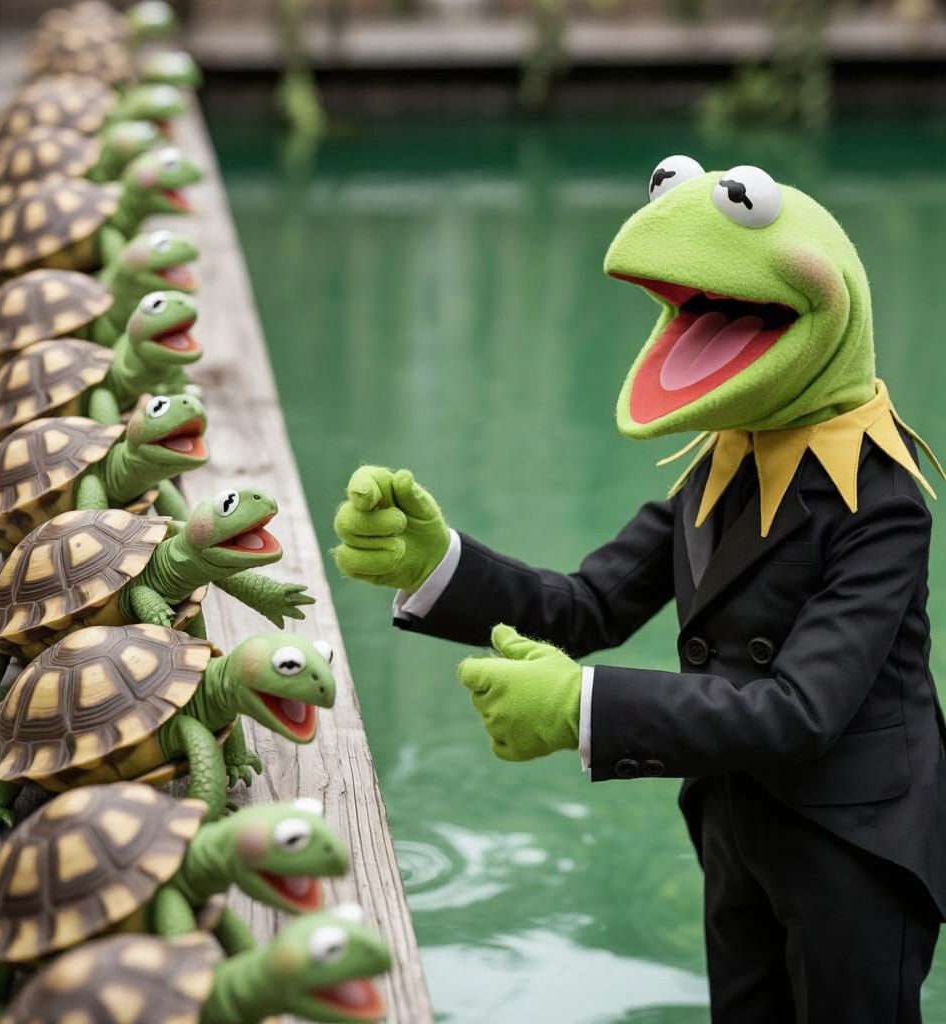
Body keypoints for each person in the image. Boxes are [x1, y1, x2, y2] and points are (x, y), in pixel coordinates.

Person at [333, 157, 946, 1023]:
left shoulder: (880, 504)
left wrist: (581, 709)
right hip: (735, 821)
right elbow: (589, 605)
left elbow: (802, 710)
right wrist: (437, 564)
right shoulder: (718, 464)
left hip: (854, 844)